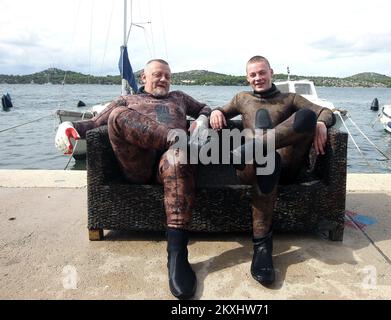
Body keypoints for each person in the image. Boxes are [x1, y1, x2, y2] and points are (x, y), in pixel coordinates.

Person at [55, 59, 211, 300]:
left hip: (170, 164)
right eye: (158, 75)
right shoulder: (128, 100)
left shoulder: (179, 97)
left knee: (178, 157)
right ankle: (173, 139)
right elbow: (96, 123)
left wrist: (201, 120)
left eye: (167, 76)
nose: (163, 80)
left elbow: (204, 108)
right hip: (137, 163)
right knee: (117, 115)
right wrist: (69, 125)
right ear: (143, 79)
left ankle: (177, 253)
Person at [210, 55, 335, 286]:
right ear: (248, 78)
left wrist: (320, 123)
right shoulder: (241, 98)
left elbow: (326, 112)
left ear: (271, 72)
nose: (258, 78)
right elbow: (219, 111)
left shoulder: (290, 98)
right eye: (253, 74)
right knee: (265, 159)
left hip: (285, 168)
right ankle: (262, 247)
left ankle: (255, 148)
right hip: (249, 169)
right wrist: (216, 111)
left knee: (307, 116)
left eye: (262, 72)